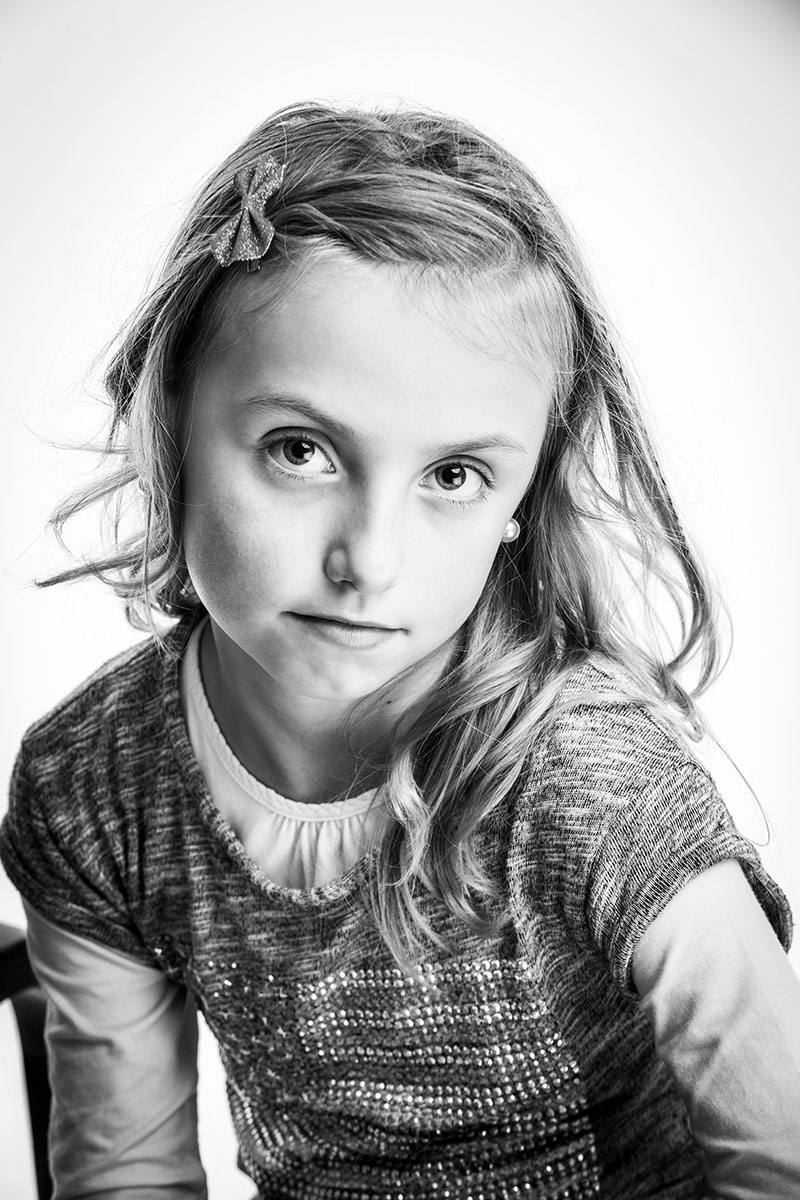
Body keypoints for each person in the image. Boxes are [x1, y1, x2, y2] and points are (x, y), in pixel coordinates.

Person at [2, 100, 799, 1200]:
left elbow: (778, 1159)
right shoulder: (91, 789)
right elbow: (125, 1170)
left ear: (519, 499)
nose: (368, 562)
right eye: (299, 450)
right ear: (174, 419)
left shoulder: (587, 782)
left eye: (452, 476)